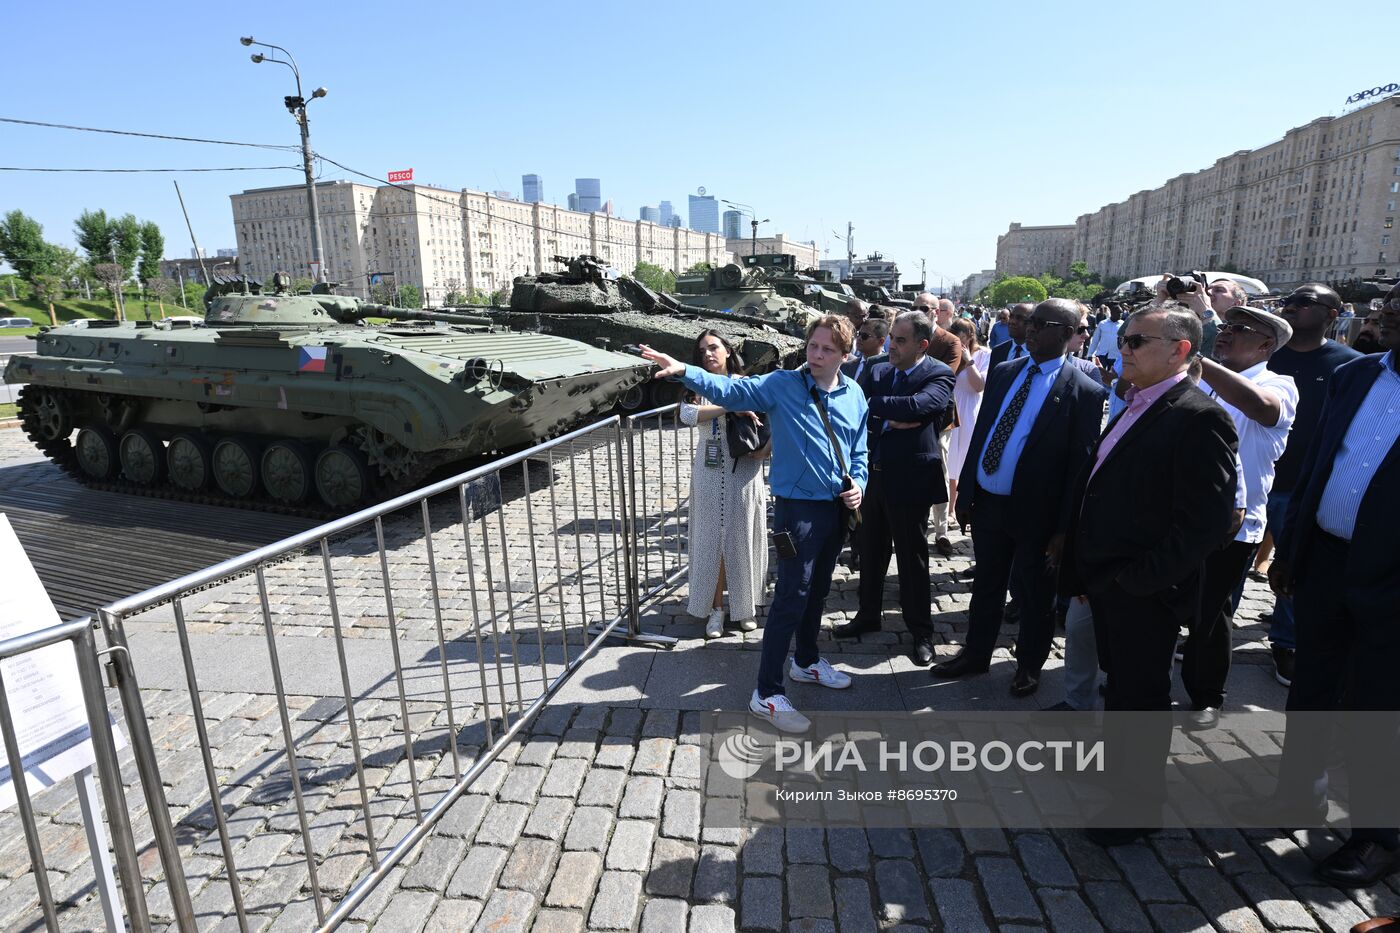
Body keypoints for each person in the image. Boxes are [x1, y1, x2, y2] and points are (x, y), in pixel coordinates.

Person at [1059, 303, 1238, 845]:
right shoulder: (1138, 401)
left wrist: (1137, 582)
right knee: (1122, 689)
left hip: (1144, 591)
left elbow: (1207, 523)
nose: (1124, 349)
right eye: (1124, 339)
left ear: (1180, 350)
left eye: (1137, 341)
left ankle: (1138, 806)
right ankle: (1124, 779)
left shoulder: (1199, 416)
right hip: (1109, 582)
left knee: (1140, 696)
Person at [639, 315, 867, 735]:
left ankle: (806, 661)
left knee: (818, 591)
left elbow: (859, 450)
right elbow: (731, 390)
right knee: (791, 599)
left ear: (845, 355)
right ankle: (767, 693)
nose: (817, 355)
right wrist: (684, 369)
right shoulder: (783, 384)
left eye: (828, 349)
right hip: (797, 512)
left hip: (836, 510)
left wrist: (860, 484)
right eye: (813, 346)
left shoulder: (854, 393)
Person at [1246, 282, 1400, 887]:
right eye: (1390, 301)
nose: (1389, 311)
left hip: (1391, 581)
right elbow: (1318, 464)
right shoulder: (1357, 374)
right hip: (1327, 561)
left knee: (1379, 706)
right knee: (1311, 688)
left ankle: (1377, 835)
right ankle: (1297, 795)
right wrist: (1292, 550)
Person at [933, 299, 1107, 696]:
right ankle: (975, 654)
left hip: (1037, 515)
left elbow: (1079, 468)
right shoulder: (1005, 370)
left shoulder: (1084, 390)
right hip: (989, 504)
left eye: (1041, 324)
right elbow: (984, 431)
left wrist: (1063, 530)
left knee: (1035, 594)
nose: (1030, 328)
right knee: (987, 585)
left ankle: (1029, 665)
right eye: (1029, 321)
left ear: (1068, 334)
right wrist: (967, 492)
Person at [1179, 307, 1298, 728]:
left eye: (1239, 329)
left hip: (1232, 525)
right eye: (1225, 326)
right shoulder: (1201, 380)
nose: (1226, 333)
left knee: (1209, 614)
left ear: (1266, 345)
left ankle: (1207, 695)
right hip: (1180, 515)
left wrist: (1194, 358)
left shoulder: (1278, 384)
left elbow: (1258, 406)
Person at [832, 311, 955, 665]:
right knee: (871, 551)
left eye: (901, 341)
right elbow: (857, 407)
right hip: (874, 476)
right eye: (891, 339)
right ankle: (867, 614)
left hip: (911, 480)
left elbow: (922, 406)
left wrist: (883, 410)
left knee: (912, 557)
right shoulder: (878, 370)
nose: (892, 347)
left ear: (922, 345)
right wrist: (892, 413)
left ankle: (921, 631)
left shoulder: (938, 373)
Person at [1262, 284, 1362, 685]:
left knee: (1293, 567)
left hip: (1300, 486)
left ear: (1332, 315)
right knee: (1228, 561)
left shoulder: (1351, 365)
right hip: (1253, 478)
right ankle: (1211, 631)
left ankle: (1286, 642)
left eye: (1304, 303)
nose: (1291, 307)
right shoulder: (1266, 354)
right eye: (1289, 301)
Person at [678, 331, 771, 639]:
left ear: (728, 351)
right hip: (708, 469)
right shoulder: (696, 385)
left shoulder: (746, 383)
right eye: (702, 350)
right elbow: (688, 415)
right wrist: (728, 407)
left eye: (713, 347)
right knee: (712, 541)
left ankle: (745, 607)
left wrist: (767, 449)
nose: (708, 354)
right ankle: (716, 609)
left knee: (743, 537)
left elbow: (772, 414)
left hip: (744, 467)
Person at [912, 292, 964, 557]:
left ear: (937, 312)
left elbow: (943, 378)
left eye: (924, 308)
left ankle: (941, 530)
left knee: (939, 470)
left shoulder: (950, 341)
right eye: (915, 307)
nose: (918, 311)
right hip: (907, 415)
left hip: (939, 419)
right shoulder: (906, 332)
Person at [944, 318, 989, 519]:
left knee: (963, 459)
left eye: (959, 336)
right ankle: (949, 508)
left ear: (969, 336)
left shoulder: (984, 354)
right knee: (949, 459)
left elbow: (979, 385)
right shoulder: (950, 352)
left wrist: (968, 359)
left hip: (970, 411)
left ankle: (960, 505)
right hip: (950, 410)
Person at [842, 318, 888, 383]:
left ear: (881, 341)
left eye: (865, 336)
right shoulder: (846, 366)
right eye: (859, 334)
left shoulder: (887, 369)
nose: (859, 338)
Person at [988, 303, 1033, 368]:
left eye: (1019, 318)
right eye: (1011, 316)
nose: (1012, 321)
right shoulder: (997, 351)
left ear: (1031, 322)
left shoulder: (1040, 354)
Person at [1085, 303, 1122, 370]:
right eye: (1118, 312)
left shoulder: (1123, 325)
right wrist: (1090, 354)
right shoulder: (1102, 324)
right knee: (1101, 374)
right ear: (1112, 312)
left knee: (1113, 375)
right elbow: (1095, 340)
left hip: (1116, 356)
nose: (1120, 314)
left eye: (1121, 312)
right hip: (1102, 354)